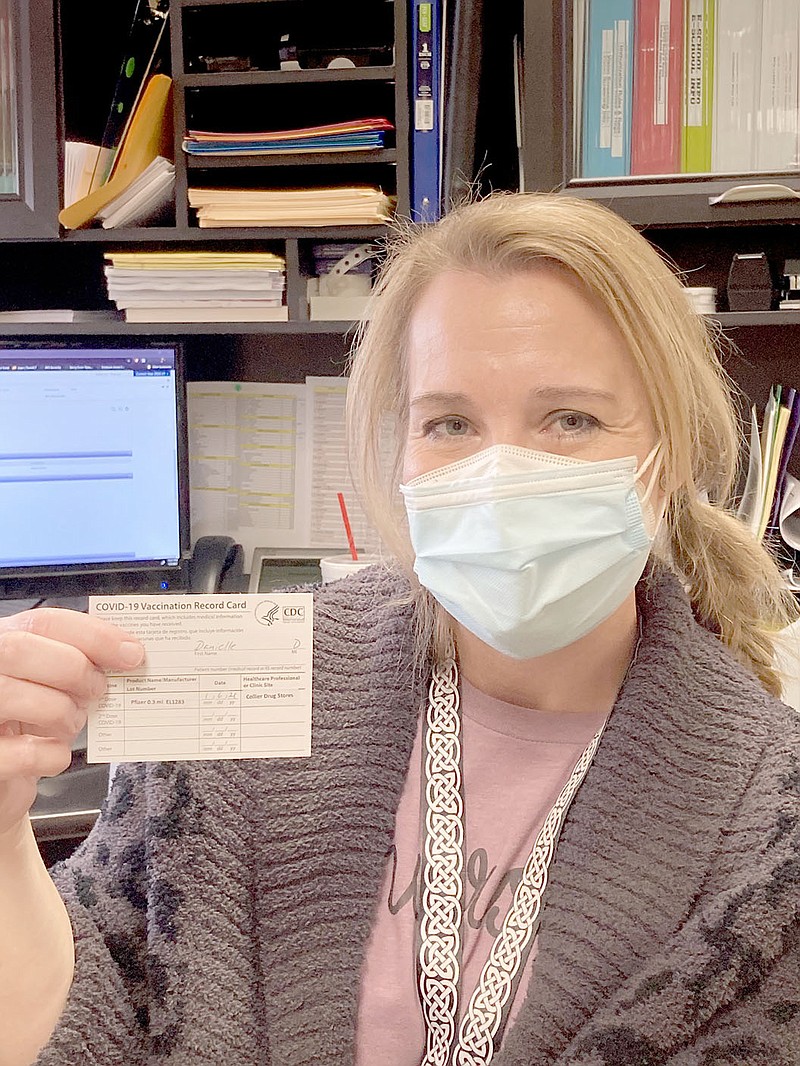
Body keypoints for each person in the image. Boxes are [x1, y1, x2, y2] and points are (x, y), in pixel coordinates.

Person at [1, 191, 799, 1066]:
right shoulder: (245, 704)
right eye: (450, 423)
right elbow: (89, 1015)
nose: (500, 476)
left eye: (569, 419)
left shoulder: (767, 822)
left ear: (672, 447)